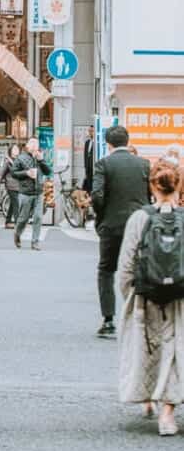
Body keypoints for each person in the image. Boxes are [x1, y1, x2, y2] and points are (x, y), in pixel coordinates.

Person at [116, 159, 184, 436]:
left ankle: (147, 396)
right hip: (179, 296)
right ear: (179, 186)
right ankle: (168, 413)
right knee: (176, 350)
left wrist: (129, 295)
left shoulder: (139, 218)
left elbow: (126, 265)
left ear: (152, 187)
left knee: (147, 347)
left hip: (146, 295)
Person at [91, 124, 151, 338]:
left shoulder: (104, 164)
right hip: (139, 225)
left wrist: (101, 217)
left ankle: (108, 320)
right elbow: (150, 194)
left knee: (106, 270)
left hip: (111, 225)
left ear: (108, 144)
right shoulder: (143, 164)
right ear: (128, 141)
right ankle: (139, 317)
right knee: (138, 270)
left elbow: (97, 195)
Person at [12, 138, 51, 251]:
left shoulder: (40, 157)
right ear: (27, 146)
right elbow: (13, 173)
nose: (34, 146)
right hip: (25, 193)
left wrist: (41, 160)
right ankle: (17, 233)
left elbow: (48, 171)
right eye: (32, 143)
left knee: (38, 217)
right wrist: (26, 173)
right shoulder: (21, 158)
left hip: (38, 193)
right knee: (23, 219)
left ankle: (35, 242)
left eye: (36, 144)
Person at [0, 143, 21, 229]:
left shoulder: (18, 160)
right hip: (11, 185)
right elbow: (2, 173)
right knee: (16, 204)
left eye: (17, 149)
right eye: (14, 149)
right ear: (10, 151)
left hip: (18, 185)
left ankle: (8, 222)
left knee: (13, 204)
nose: (16, 150)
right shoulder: (8, 161)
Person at [82, 126, 95, 193]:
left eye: (92, 131)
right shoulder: (87, 142)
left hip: (94, 167)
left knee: (94, 184)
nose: (90, 133)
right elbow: (85, 155)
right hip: (88, 167)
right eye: (89, 131)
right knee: (89, 184)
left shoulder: (97, 142)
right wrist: (85, 166)